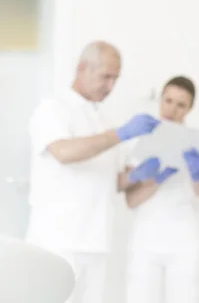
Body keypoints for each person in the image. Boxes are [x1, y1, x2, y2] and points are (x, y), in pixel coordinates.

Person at [25, 41, 160, 303]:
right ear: (82, 68)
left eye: (115, 79)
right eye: (105, 77)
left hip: (97, 241)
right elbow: (64, 152)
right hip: (59, 240)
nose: (110, 86)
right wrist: (121, 134)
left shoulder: (103, 120)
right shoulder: (53, 108)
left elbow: (114, 182)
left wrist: (142, 173)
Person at [118, 76, 199, 303]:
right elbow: (130, 201)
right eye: (168, 100)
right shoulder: (140, 140)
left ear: (190, 108)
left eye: (181, 104)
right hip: (145, 241)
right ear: (160, 100)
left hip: (186, 243)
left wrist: (197, 175)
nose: (172, 109)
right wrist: (155, 179)